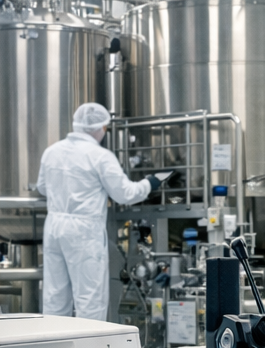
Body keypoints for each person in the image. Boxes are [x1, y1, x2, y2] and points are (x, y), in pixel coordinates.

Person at [37, 103, 169, 321]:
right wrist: (151, 182)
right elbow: (125, 194)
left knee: (55, 297)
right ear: (101, 128)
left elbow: (42, 187)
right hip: (84, 231)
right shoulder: (100, 156)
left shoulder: (52, 152)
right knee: (90, 301)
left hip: (54, 226)